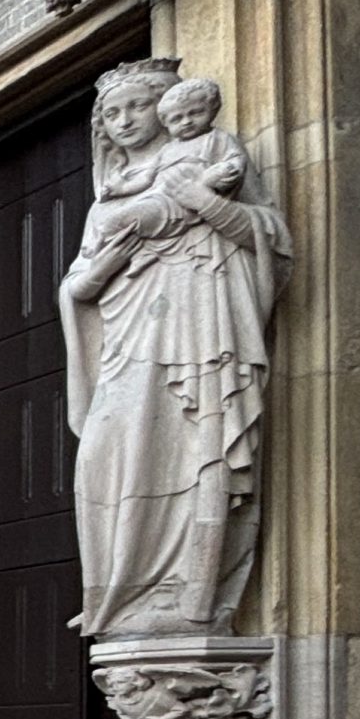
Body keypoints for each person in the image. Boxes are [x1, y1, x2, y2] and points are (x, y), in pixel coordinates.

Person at [60, 60, 292, 636]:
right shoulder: (105, 202)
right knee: (104, 458)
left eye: (137, 106)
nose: (124, 121)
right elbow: (78, 288)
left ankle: (191, 595)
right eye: (112, 113)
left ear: (168, 111)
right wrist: (106, 266)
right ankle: (116, 593)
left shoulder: (208, 162)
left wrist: (206, 203)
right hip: (128, 340)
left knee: (202, 449)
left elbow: (271, 241)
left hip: (202, 328)